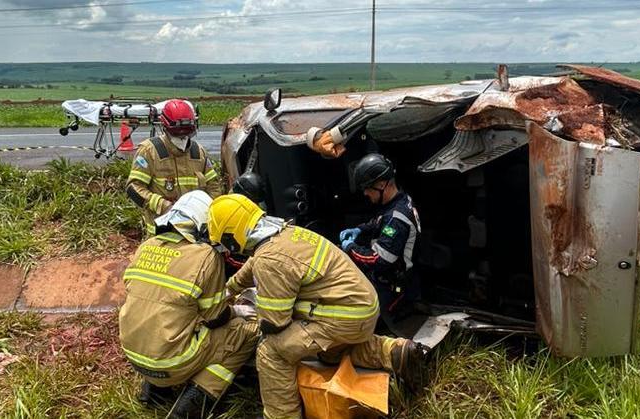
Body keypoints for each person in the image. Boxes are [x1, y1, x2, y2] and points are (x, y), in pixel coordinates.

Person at [206, 193, 427, 419]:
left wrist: (238, 311)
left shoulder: (269, 260)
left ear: (231, 236)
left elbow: (275, 323)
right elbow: (252, 265)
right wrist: (229, 290)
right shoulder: (285, 234)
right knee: (329, 353)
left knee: (272, 351)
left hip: (343, 316)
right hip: (361, 307)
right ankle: (395, 352)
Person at [118, 190, 259, 419]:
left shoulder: (147, 245)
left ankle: (154, 392)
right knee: (245, 333)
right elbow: (216, 319)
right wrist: (239, 310)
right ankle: (194, 403)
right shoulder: (204, 256)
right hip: (173, 361)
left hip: (134, 354)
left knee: (168, 318)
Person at [340, 153, 421, 325]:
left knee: (359, 320)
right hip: (391, 278)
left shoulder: (397, 219)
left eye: (367, 187)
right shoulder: (398, 201)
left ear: (382, 184)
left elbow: (379, 260)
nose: (365, 192)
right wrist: (358, 230)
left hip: (395, 290)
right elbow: (378, 222)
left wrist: (350, 248)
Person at [126, 99, 224, 237]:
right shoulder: (150, 151)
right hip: (161, 233)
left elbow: (214, 187)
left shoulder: (198, 153)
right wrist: (163, 206)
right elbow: (133, 188)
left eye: (186, 135)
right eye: (178, 135)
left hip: (194, 233)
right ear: (165, 128)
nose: (182, 139)